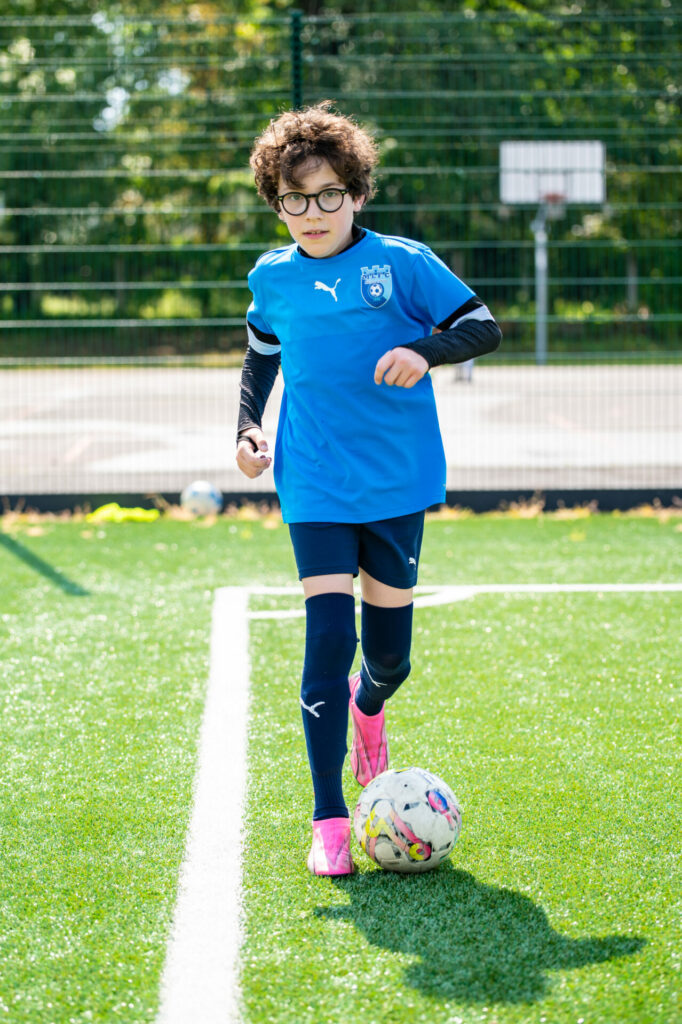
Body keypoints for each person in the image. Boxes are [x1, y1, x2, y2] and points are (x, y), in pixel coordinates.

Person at [235, 102, 501, 876]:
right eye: (294, 199)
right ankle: (327, 821)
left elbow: (481, 324)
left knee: (388, 660)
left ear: (355, 192)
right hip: (312, 478)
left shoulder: (404, 262)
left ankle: (370, 704)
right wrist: (249, 428)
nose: (311, 213)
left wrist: (423, 350)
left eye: (326, 195)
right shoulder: (271, 277)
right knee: (328, 639)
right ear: (276, 202)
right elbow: (260, 353)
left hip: (394, 482)